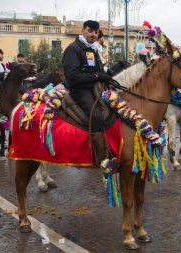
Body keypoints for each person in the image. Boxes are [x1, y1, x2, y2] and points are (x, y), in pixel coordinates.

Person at [62, 20, 116, 168]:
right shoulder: (73, 49)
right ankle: (102, 159)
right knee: (97, 115)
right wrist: (97, 77)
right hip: (79, 90)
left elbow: (98, 69)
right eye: (90, 30)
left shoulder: (92, 49)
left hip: (95, 88)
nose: (93, 34)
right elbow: (72, 76)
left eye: (95, 32)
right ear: (83, 30)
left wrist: (105, 76)